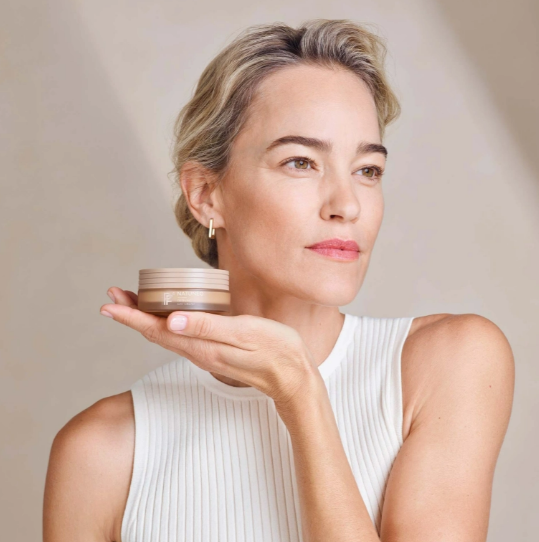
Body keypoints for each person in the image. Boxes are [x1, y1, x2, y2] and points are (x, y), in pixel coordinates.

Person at [43, 19, 515, 542]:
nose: (347, 205)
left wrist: (299, 391)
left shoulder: (447, 363)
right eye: (300, 162)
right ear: (205, 195)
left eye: (367, 170)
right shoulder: (101, 453)